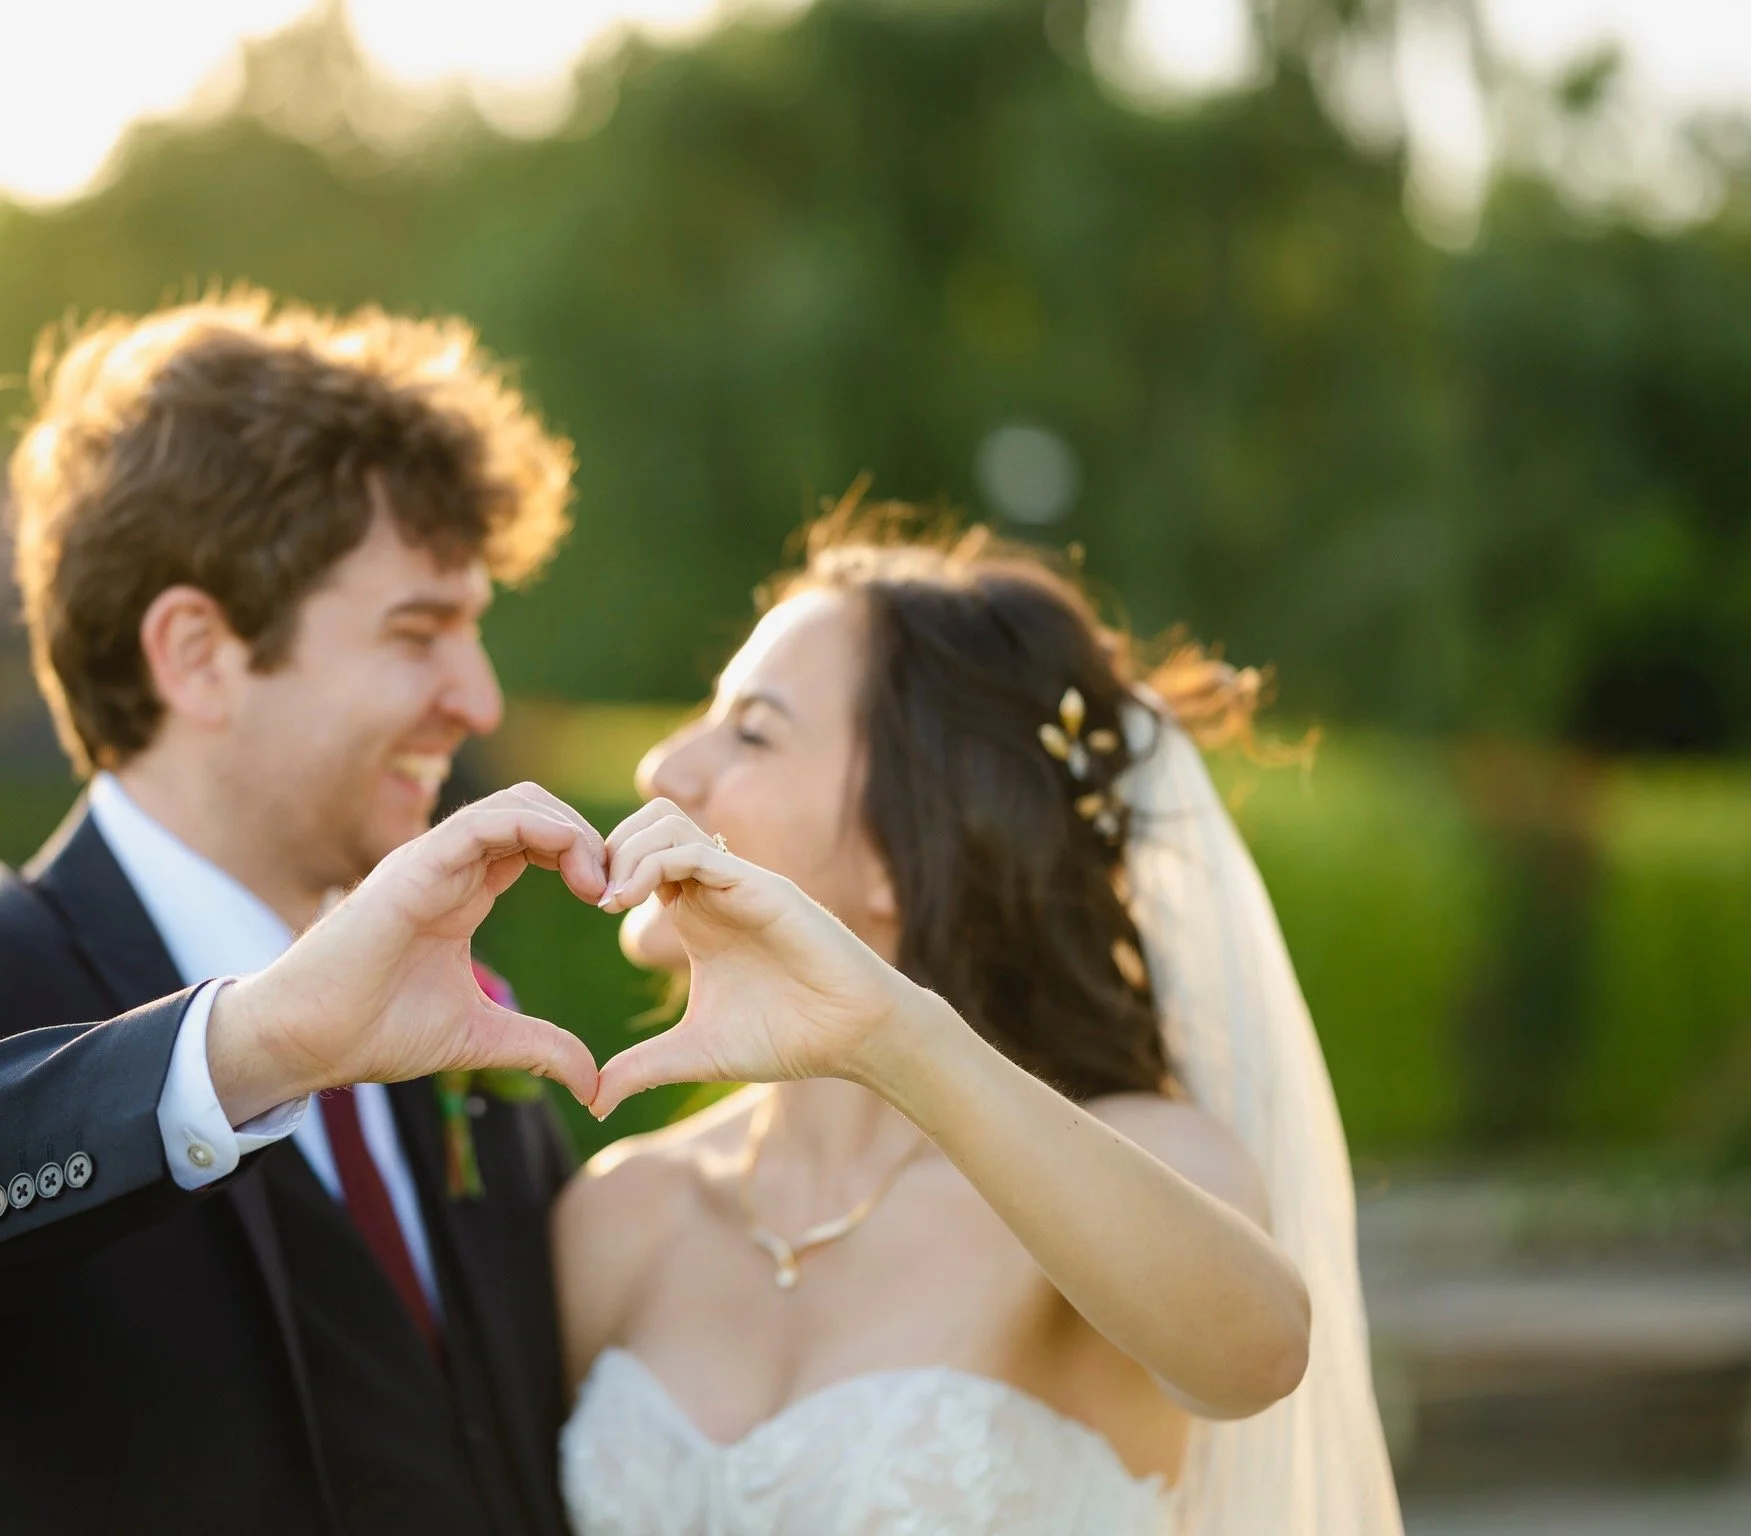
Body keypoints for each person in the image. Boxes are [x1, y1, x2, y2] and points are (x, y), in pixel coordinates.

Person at [0, 291, 607, 1536]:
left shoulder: (465, 1023)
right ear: (198, 654)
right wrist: (247, 1050)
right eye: (419, 630)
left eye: (473, 630)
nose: (478, 697)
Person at [555, 514, 1404, 1535]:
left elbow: (1258, 1356)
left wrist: (895, 1035)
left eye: (752, 730)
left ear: (900, 850)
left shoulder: (1142, 1156)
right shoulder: (624, 1209)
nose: (661, 768)